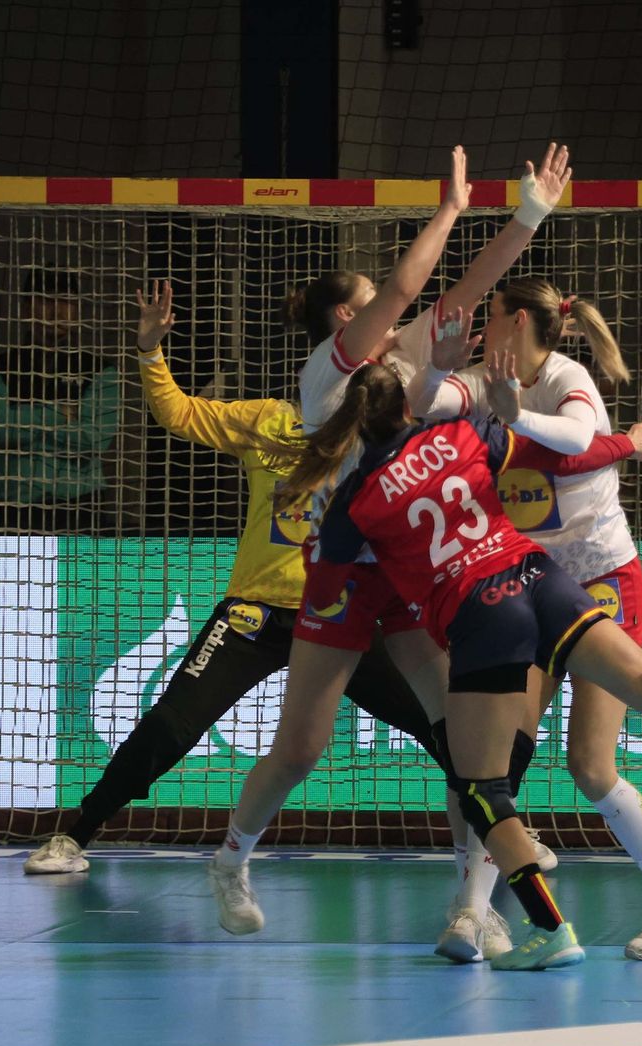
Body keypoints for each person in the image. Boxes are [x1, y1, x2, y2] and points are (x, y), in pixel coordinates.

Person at [206, 140, 616, 960]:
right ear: (347, 322)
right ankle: (230, 861)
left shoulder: (408, 360)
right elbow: (405, 284)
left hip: (413, 571)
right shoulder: (329, 374)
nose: (397, 309)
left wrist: (530, 215)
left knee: (466, 745)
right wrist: (452, 209)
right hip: (343, 571)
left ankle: (473, 906)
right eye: (375, 306)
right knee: (302, 747)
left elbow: (464, 290)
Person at [285, 355, 642, 969]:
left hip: (483, 614)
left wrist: (330, 538)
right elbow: (564, 458)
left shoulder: (356, 502)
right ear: (407, 408)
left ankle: (549, 927)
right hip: (541, 577)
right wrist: (625, 443)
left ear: (350, 423)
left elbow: (325, 594)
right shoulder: (463, 432)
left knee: (480, 789)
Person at [23, 282, 442, 875]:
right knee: (170, 725)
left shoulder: (385, 426)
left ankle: (501, 834)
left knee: (435, 721)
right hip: (256, 615)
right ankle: (75, 835)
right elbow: (177, 414)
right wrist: (150, 349)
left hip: (341, 617)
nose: (391, 322)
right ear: (347, 321)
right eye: (376, 306)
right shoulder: (269, 421)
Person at [406, 278, 642, 961]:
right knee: (496, 763)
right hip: (524, 587)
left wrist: (516, 416)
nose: (483, 326)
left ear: (518, 322)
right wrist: (442, 369)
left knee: (590, 766)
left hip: (600, 582)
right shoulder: (483, 378)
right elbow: (427, 403)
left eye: (491, 315)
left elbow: (576, 439)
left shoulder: (567, 378)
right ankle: (472, 911)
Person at [0, 266, 125, 532]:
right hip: (10, 506)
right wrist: (58, 413)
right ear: (25, 308)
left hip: (80, 507)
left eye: (66, 300)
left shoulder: (99, 370)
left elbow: (94, 438)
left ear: (77, 310)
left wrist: (19, 422)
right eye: (45, 300)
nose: (56, 310)